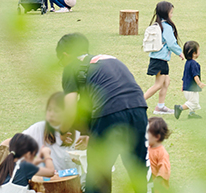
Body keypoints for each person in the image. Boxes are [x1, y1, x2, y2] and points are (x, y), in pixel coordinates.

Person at [57, 32, 149, 193]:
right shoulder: (108, 59)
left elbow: (70, 108)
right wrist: (90, 133)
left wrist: (64, 132)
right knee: (138, 168)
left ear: (65, 55)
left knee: (99, 174)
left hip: (109, 110)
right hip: (138, 108)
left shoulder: (72, 66)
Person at [21, 93, 82, 173]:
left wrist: (82, 160)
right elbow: (16, 141)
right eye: (49, 110)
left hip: (73, 182)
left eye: (56, 111)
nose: (51, 114)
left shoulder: (79, 132)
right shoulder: (40, 128)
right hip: (46, 182)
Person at [143, 1, 183, 115]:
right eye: (171, 12)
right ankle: (137, 102)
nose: (172, 15)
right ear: (166, 13)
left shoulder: (158, 25)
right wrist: (180, 52)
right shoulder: (166, 27)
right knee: (158, 84)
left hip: (157, 59)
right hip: (160, 60)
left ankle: (160, 107)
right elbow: (171, 43)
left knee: (166, 81)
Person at [174, 41, 203, 120]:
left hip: (187, 87)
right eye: (199, 50)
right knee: (193, 102)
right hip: (191, 88)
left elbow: (185, 76)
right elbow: (195, 75)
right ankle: (180, 108)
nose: (200, 52)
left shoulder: (187, 63)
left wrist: (183, 85)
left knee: (193, 101)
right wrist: (199, 83)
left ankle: (192, 114)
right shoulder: (194, 64)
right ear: (194, 53)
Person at [146, 117, 171, 191]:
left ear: (157, 137)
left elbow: (164, 170)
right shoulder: (147, 148)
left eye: (147, 133)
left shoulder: (162, 153)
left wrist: (155, 183)